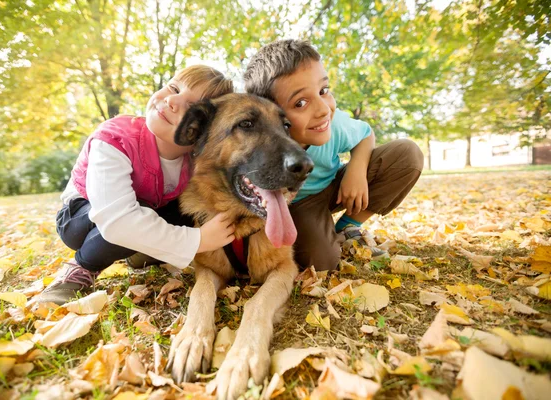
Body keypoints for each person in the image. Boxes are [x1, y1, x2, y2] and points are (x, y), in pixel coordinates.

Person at [38, 65, 235, 305]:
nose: (172, 100)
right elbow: (118, 221)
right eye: (173, 87)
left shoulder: (193, 161)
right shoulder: (115, 138)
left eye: (193, 108)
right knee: (129, 220)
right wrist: (199, 240)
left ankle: (142, 250)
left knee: (183, 210)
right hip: (80, 217)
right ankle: (80, 268)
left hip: (141, 209)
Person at [244, 39, 424, 271]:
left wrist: (357, 170)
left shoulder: (333, 123)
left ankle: (349, 227)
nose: (323, 109)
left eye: (324, 91)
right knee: (321, 262)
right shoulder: (261, 145)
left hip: (335, 187)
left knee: (407, 154)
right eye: (300, 102)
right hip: (298, 205)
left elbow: (365, 134)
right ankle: (323, 234)